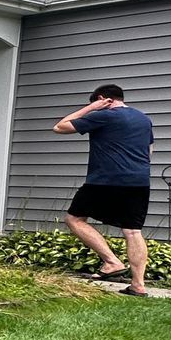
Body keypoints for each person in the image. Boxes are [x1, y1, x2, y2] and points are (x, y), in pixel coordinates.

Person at [53, 83, 155, 295]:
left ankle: (112, 261)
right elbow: (149, 151)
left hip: (105, 180)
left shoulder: (105, 115)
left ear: (103, 99)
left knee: (74, 219)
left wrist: (92, 108)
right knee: (133, 231)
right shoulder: (143, 119)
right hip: (138, 181)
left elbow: (60, 126)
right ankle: (138, 286)